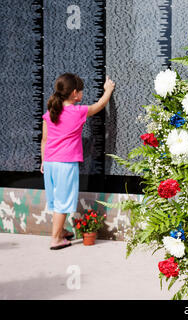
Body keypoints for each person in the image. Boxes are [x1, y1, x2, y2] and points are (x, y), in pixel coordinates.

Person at [41, 73, 115, 250]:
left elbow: (44, 139)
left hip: (50, 162)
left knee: (57, 200)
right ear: (75, 93)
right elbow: (100, 105)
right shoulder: (78, 111)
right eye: (81, 91)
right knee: (63, 201)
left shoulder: (50, 113)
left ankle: (62, 231)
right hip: (65, 164)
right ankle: (56, 239)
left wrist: (43, 160)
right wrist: (109, 89)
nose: (82, 94)